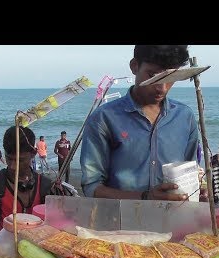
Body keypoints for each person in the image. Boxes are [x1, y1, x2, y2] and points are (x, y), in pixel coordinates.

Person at [80, 45, 198, 201]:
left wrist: (196, 191)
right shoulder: (103, 119)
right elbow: (91, 187)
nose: (162, 88)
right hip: (119, 221)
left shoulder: (185, 117)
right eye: (153, 75)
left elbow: (189, 174)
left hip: (173, 219)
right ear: (134, 66)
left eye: (170, 77)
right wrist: (145, 198)